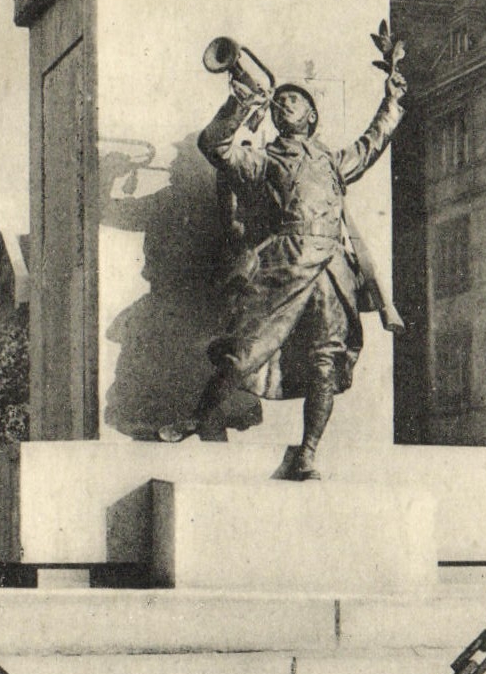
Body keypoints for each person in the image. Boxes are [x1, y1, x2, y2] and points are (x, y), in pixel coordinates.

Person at [159, 45, 406, 480]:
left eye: (294, 100)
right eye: (281, 101)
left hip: (332, 272)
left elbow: (370, 144)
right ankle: (200, 417)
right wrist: (241, 102)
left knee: (325, 364)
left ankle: (309, 452)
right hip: (284, 264)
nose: (284, 104)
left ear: (311, 116)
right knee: (243, 350)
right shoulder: (265, 160)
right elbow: (214, 145)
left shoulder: (330, 159)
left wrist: (391, 101)